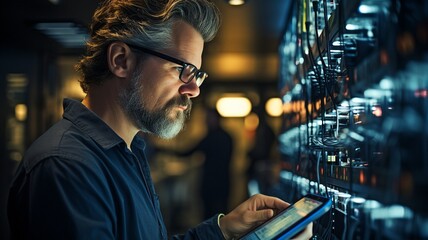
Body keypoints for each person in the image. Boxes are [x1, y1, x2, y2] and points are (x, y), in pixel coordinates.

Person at [7, 0, 313, 239]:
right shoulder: (66, 166)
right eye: (182, 70)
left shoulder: (127, 151)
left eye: (197, 75)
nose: (193, 90)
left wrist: (224, 230)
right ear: (121, 60)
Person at [178, 108, 233, 219]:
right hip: (224, 182)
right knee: (221, 215)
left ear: (217, 119)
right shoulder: (227, 137)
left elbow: (188, 152)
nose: (206, 121)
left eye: (208, 118)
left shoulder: (210, 137)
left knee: (209, 216)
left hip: (211, 183)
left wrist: (162, 150)